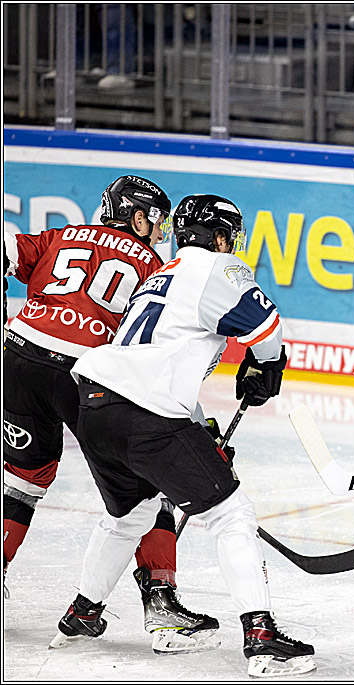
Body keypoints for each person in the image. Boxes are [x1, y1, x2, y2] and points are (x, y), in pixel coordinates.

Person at [52, 194, 312, 678]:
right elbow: (266, 326)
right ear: (220, 237)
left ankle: (83, 612)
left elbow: (155, 364)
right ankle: (262, 637)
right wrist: (267, 365)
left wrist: (199, 433)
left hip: (96, 406)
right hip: (145, 414)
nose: (231, 245)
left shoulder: (160, 275)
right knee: (231, 514)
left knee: (130, 515)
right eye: (229, 236)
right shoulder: (218, 266)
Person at [2, 175, 220, 653]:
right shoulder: (156, 269)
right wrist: (197, 424)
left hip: (17, 356)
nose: (160, 233)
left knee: (22, 479)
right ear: (137, 217)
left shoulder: (62, 235)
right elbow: (158, 362)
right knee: (149, 487)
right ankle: (161, 604)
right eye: (156, 222)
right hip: (85, 374)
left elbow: (5, 249)